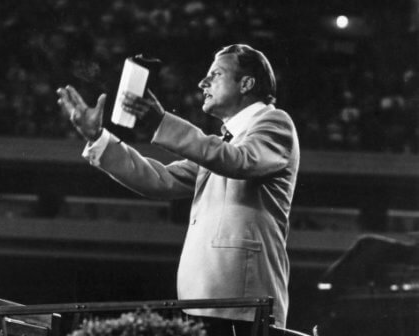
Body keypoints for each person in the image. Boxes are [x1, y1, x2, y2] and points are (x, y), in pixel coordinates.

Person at [56, 44, 299, 334]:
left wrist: (161, 122)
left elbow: (240, 161)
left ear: (246, 83)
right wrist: (97, 137)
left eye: (216, 74)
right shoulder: (224, 143)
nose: (202, 83)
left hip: (243, 304)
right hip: (206, 301)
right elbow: (159, 179)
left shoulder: (275, 122)